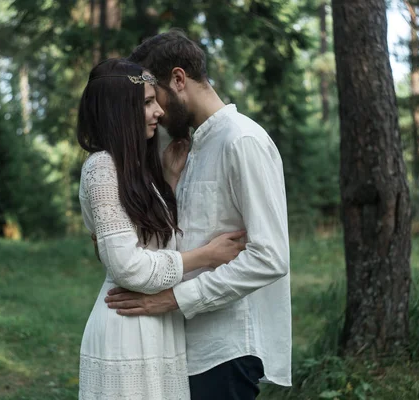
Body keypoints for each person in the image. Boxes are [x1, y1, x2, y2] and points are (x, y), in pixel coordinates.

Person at [105, 30, 292, 400]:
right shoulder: (189, 147)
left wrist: (174, 298)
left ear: (178, 79)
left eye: (154, 97)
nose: (155, 111)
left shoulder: (242, 141)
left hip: (227, 349)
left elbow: (270, 257)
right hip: (185, 347)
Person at [76, 58, 246, 400]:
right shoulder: (102, 168)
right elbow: (128, 266)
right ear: (119, 112)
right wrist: (205, 256)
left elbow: (151, 242)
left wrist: (167, 181)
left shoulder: (135, 171)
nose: (159, 112)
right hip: (126, 329)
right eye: (147, 103)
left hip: (158, 328)